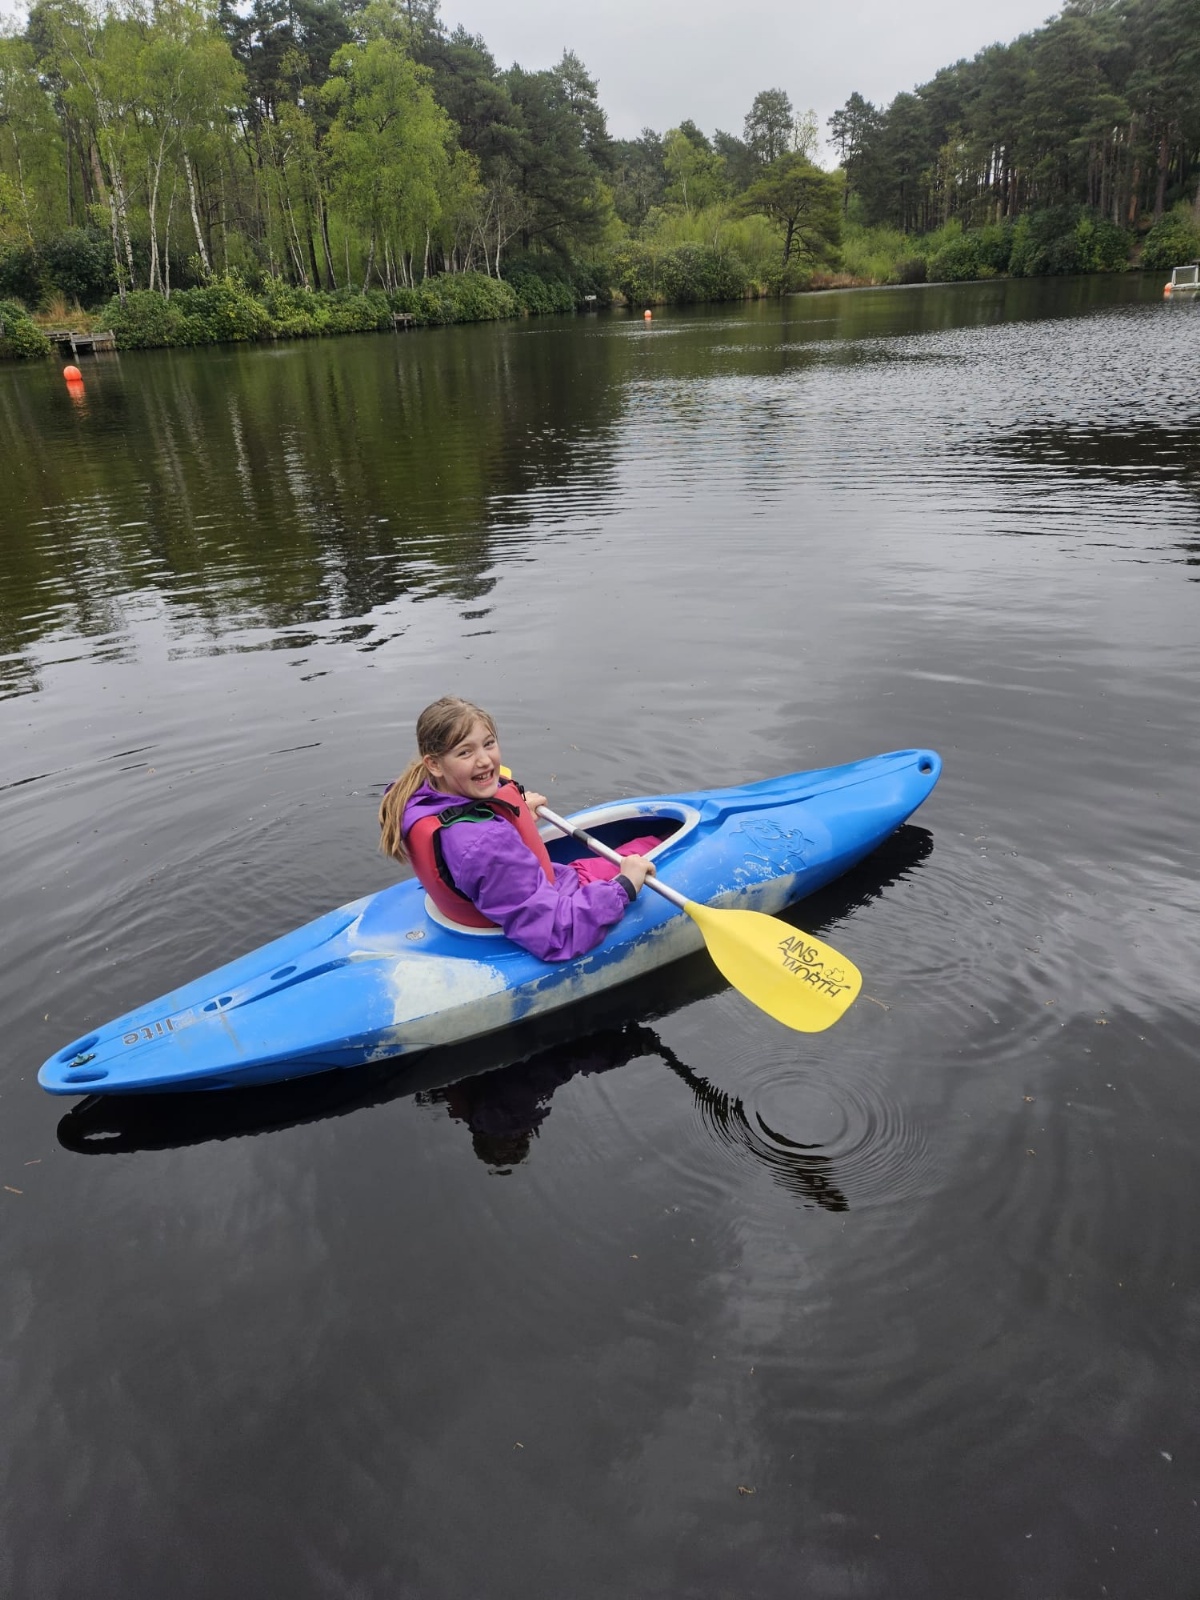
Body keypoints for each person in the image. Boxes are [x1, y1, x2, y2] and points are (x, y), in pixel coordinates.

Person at [378, 696, 660, 962]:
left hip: (501, 898)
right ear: (434, 764)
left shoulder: (415, 796)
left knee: (642, 845)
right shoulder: (487, 845)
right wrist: (623, 887)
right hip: (560, 908)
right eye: (465, 752)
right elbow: (558, 933)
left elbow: (468, 835)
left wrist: (512, 810)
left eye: (488, 744)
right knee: (651, 848)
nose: (485, 760)